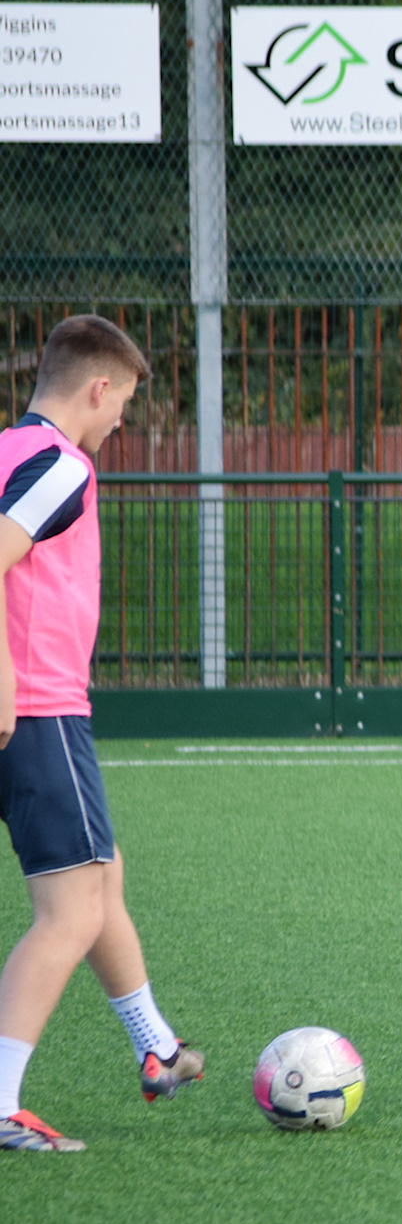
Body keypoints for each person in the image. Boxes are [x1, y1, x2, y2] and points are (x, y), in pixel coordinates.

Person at [0, 316, 202, 1153]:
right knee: (70, 911)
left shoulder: (7, 449)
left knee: (99, 876)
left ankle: (156, 1047)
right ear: (96, 388)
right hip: (37, 708)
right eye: (124, 401)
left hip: (35, 706)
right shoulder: (59, 464)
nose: (123, 420)